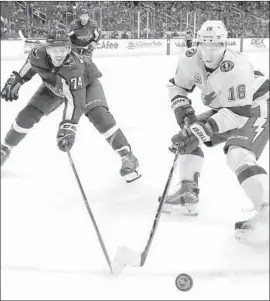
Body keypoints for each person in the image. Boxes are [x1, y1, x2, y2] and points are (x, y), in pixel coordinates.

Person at [163, 20, 269, 241]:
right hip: (228, 108)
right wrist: (184, 112)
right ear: (198, 43)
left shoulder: (238, 66)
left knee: (237, 154)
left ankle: (266, 210)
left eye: (215, 47)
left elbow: (238, 114)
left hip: (258, 104)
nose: (209, 53)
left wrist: (206, 128)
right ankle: (187, 191)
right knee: (187, 134)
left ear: (224, 45)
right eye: (204, 46)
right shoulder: (190, 58)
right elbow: (177, 85)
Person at [0, 28, 141, 183]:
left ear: (69, 49)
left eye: (63, 49)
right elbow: (29, 65)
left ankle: (127, 155)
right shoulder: (36, 54)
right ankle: (4, 149)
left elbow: (76, 102)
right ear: (47, 49)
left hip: (86, 85)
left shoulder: (74, 67)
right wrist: (18, 79)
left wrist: (68, 127)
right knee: (26, 116)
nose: (59, 54)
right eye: (54, 49)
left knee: (99, 116)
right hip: (55, 85)